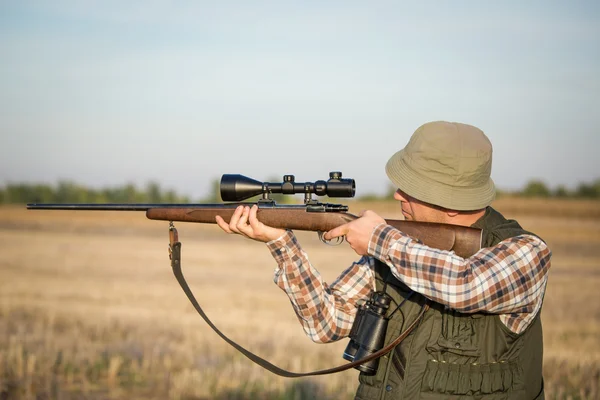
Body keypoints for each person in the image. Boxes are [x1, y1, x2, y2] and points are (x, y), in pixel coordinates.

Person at [216, 121, 551, 400]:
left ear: (450, 202)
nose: (397, 195)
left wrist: (379, 239)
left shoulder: (525, 252)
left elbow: (464, 284)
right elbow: (325, 323)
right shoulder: (400, 246)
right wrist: (281, 243)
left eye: (411, 188)